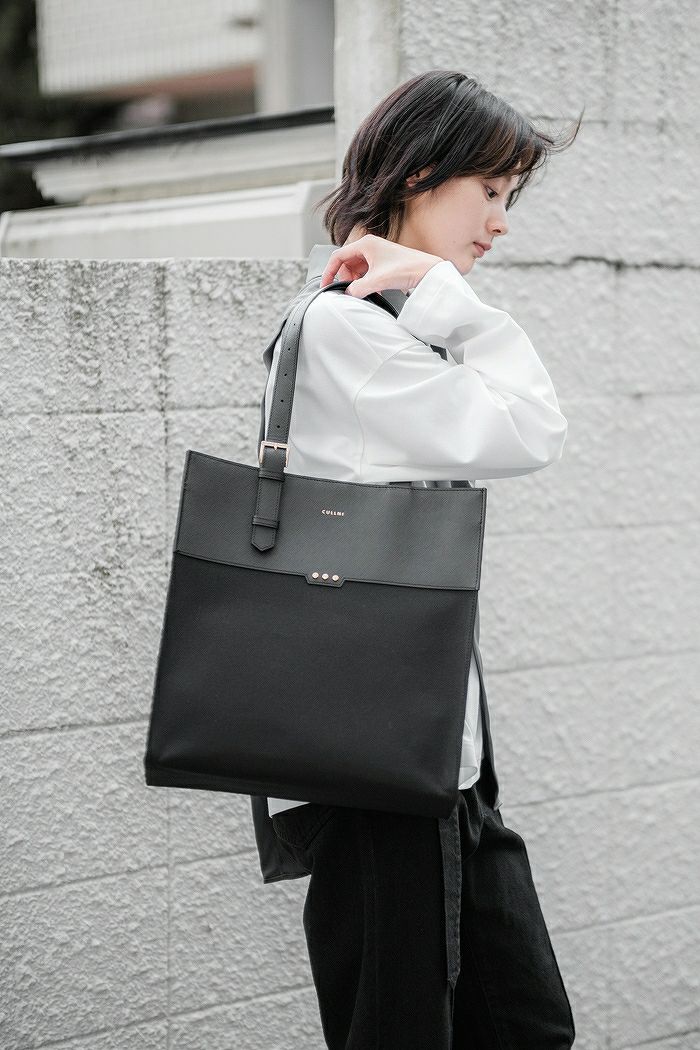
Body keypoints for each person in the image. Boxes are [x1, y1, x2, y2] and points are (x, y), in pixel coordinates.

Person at [250, 69, 583, 1048]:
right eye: (491, 190)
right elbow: (529, 429)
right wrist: (448, 296)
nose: (501, 222)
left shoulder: (381, 330)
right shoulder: (344, 332)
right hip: (378, 759)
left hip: (435, 754)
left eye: (510, 197)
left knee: (524, 1026)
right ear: (421, 173)